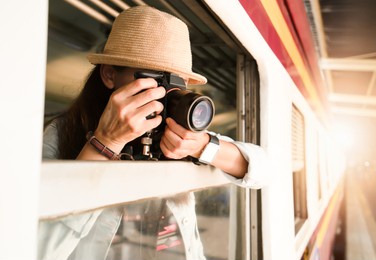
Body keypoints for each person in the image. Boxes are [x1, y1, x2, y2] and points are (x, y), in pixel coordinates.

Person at [39, 5, 270, 260]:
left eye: (175, 84)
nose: (165, 94)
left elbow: (263, 170)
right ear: (109, 75)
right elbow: (36, 247)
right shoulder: (62, 132)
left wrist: (202, 146)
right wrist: (105, 143)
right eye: (154, 80)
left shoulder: (176, 130)